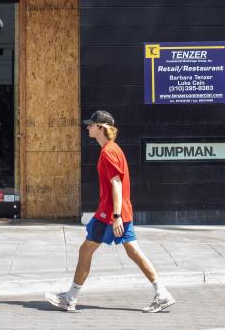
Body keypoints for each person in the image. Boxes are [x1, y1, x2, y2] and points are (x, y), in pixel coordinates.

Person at [45, 110, 175, 313]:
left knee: (86, 250)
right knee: (133, 251)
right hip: (121, 211)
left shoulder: (108, 152)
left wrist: (115, 216)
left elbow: (116, 183)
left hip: (110, 213)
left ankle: (70, 298)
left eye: (91, 125)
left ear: (101, 128)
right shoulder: (114, 149)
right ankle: (162, 293)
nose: (87, 127)